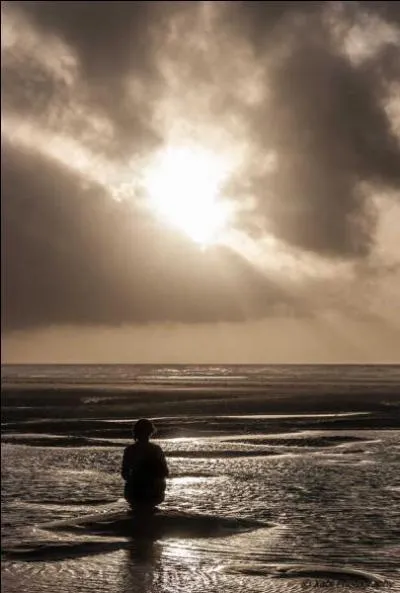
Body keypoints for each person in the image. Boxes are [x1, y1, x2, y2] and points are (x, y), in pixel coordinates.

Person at [121, 418, 169, 511]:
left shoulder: (129, 450)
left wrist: (135, 479)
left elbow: (124, 474)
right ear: (150, 432)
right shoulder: (156, 449)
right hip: (154, 493)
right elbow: (165, 472)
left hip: (134, 494)